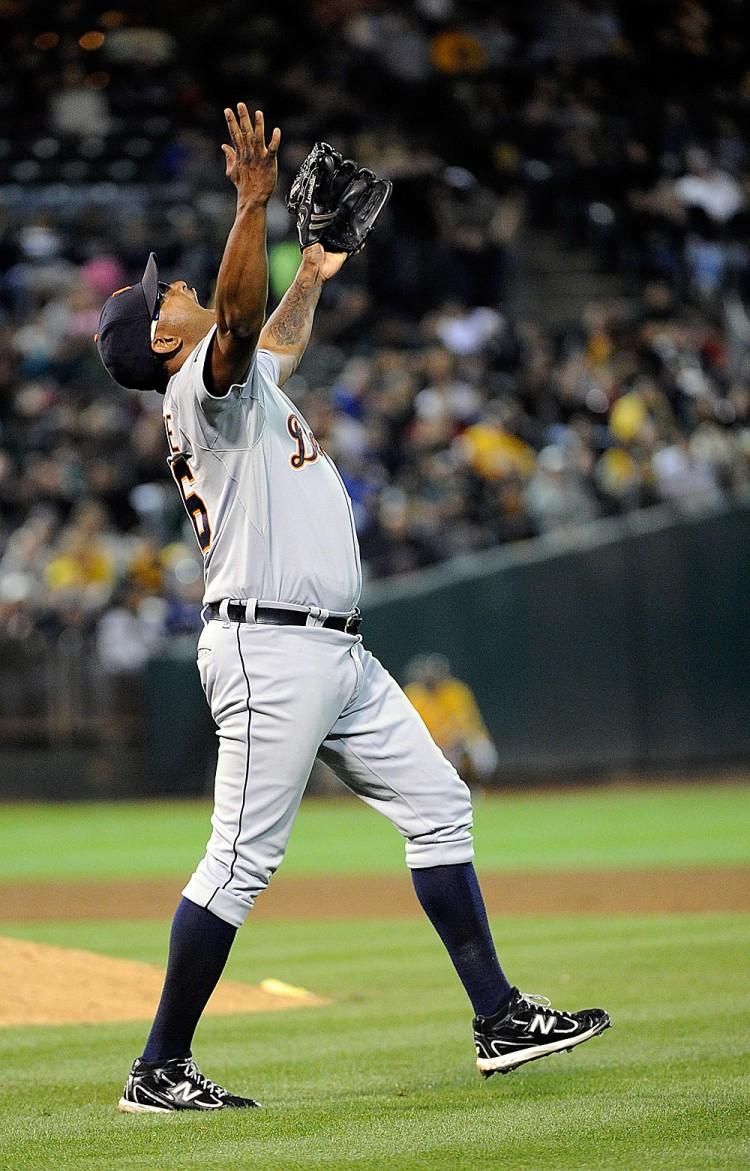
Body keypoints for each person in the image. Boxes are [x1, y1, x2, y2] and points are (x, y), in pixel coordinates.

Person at [95, 102, 610, 1114]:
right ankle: (158, 1067)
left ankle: (499, 1016)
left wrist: (314, 272)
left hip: (335, 655)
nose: (179, 286)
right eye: (167, 294)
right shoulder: (199, 391)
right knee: (239, 863)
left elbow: (270, 337)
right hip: (269, 650)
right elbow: (237, 326)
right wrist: (252, 206)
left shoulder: (238, 385)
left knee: (439, 804)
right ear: (161, 336)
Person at [405, 653, 499, 786]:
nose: (431, 680)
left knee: (480, 753)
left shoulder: (455, 691)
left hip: (455, 743)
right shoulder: (413, 694)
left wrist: (445, 740)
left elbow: (462, 726)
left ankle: (472, 785)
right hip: (430, 745)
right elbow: (410, 729)